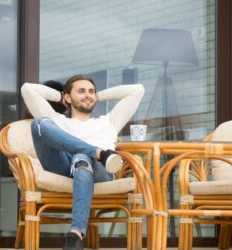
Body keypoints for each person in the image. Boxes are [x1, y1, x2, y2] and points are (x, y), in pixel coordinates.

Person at [21, 74, 144, 250]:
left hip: (100, 170)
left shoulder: (109, 121)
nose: (88, 95)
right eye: (81, 91)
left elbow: (137, 90)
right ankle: (97, 152)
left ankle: (76, 234)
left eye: (91, 91)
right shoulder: (58, 120)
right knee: (40, 123)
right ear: (68, 97)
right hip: (63, 166)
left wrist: (97, 96)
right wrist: (61, 96)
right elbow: (27, 89)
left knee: (81, 159)